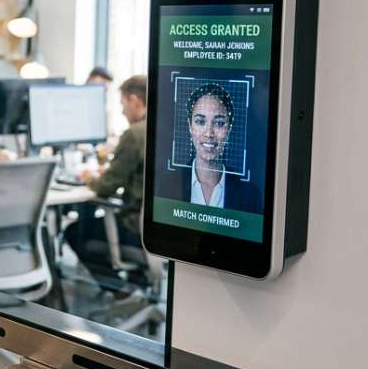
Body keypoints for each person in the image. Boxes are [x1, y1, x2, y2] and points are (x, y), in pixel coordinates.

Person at [64, 76, 148, 270]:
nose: (122, 111)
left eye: (123, 104)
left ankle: (119, 290)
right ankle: (137, 282)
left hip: (134, 229)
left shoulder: (134, 134)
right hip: (152, 230)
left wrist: (89, 178)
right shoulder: (161, 127)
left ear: (134, 101)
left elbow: (105, 187)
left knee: (74, 232)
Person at [164, 82, 262, 212]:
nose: (209, 133)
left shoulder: (249, 194)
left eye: (219, 123)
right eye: (200, 122)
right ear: (190, 126)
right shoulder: (168, 184)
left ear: (229, 128)